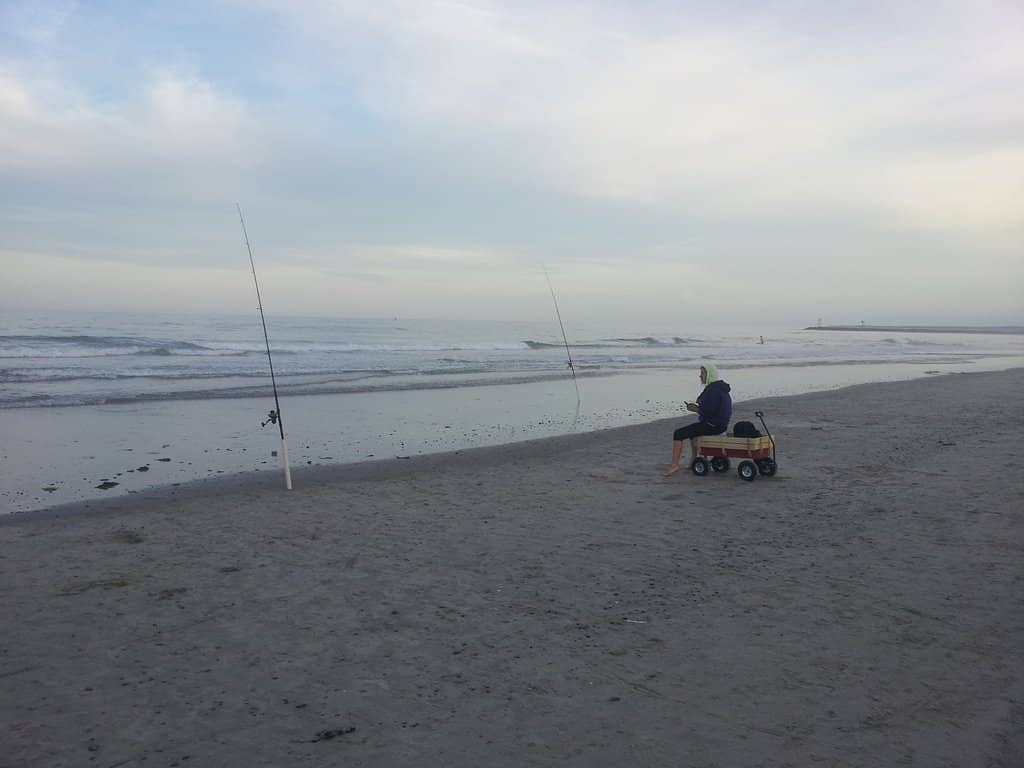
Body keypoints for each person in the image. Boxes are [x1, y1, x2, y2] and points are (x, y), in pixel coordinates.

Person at [664, 363, 732, 476]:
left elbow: (709, 411)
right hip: (720, 425)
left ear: (710, 374)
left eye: (703, 373)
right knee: (693, 433)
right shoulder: (720, 388)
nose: (700, 376)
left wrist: (695, 408)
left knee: (678, 434)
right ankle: (693, 460)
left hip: (713, 425)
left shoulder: (713, 390)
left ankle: (674, 465)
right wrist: (697, 408)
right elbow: (711, 409)